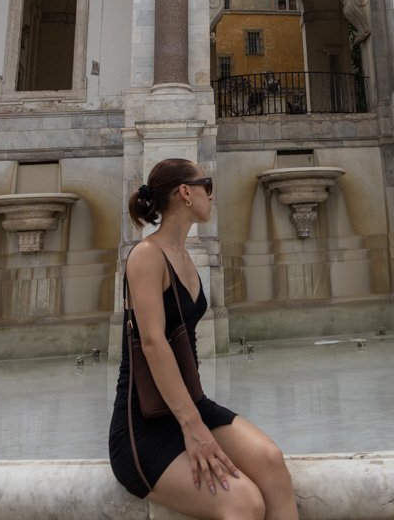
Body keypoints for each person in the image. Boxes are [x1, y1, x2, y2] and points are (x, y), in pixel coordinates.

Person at [109, 158, 299, 520]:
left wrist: (194, 418)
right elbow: (153, 343)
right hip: (144, 427)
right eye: (206, 186)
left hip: (191, 406)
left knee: (271, 461)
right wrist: (193, 428)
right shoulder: (146, 256)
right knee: (245, 502)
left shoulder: (183, 256)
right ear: (185, 192)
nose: (211, 195)